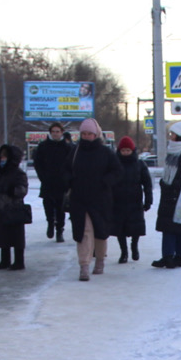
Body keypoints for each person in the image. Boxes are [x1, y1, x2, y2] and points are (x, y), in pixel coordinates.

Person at [65, 118, 119, 281]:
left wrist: (105, 182)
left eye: (89, 133)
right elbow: (65, 171)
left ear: (96, 135)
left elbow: (117, 171)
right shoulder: (75, 152)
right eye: (84, 133)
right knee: (84, 232)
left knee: (101, 233)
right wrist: (70, 181)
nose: (86, 136)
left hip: (100, 199)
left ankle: (100, 260)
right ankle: (84, 265)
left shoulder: (105, 152)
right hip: (79, 199)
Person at [153, 120, 181, 268]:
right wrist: (165, 183)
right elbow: (168, 172)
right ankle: (168, 255)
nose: (170, 136)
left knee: (180, 226)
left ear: (179, 136)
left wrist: (175, 185)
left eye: (173, 134)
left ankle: (179, 256)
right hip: (169, 195)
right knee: (168, 227)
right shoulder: (172, 150)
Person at [111, 136, 152, 263]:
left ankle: (134, 247)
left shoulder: (139, 165)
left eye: (128, 150)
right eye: (123, 151)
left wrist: (148, 199)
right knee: (120, 229)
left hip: (135, 201)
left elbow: (147, 183)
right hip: (117, 202)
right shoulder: (114, 165)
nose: (125, 153)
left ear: (132, 151)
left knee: (136, 227)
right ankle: (124, 252)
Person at [31, 123, 74, 242]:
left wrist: (68, 178)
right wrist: (43, 176)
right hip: (47, 181)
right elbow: (37, 163)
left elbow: (71, 165)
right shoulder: (43, 146)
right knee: (48, 205)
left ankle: (59, 230)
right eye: (53, 131)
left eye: (57, 131)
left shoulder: (67, 147)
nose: (55, 133)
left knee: (61, 208)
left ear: (61, 132)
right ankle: (50, 223)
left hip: (62, 183)